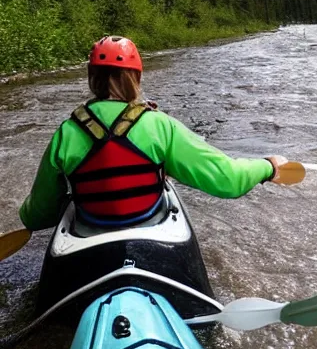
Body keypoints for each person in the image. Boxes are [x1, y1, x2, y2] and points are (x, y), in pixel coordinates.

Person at [19, 36, 287, 231]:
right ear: (136, 77)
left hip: (89, 236)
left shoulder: (66, 133)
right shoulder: (159, 125)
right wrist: (267, 166)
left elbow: (38, 217)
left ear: (92, 77)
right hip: (148, 228)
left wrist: (27, 212)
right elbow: (229, 181)